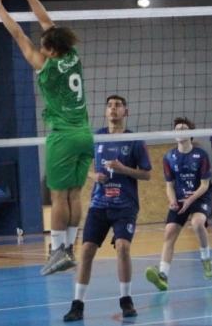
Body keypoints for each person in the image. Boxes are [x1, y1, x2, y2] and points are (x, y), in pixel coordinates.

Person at [0, 0, 94, 276]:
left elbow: (18, 33)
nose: (41, 45)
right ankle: (69, 248)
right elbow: (48, 22)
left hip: (63, 135)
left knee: (59, 196)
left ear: (50, 50)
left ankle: (57, 249)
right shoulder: (71, 55)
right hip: (85, 135)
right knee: (74, 194)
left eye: (44, 44)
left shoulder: (46, 65)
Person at [63, 95, 152, 321]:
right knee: (86, 251)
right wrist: (94, 175)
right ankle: (77, 304)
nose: (113, 109)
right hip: (99, 204)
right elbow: (79, 167)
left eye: (118, 105)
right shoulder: (96, 137)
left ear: (126, 111)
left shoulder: (135, 140)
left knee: (122, 246)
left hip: (125, 205)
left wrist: (124, 169)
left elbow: (147, 174)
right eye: (110, 106)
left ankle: (126, 300)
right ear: (105, 112)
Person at [145, 117, 212, 291]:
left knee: (197, 222)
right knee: (169, 232)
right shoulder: (169, 157)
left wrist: (189, 200)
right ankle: (163, 275)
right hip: (179, 197)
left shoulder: (201, 155)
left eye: (183, 128)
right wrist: (172, 201)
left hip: (199, 196)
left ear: (190, 134)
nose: (179, 131)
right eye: (176, 128)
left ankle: (206, 260)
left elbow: (205, 185)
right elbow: (169, 186)